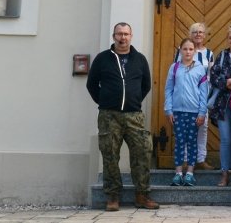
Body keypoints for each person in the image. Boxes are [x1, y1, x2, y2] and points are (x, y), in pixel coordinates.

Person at [86, 22, 159, 211]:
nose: (123, 37)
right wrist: (105, 101)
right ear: (114, 36)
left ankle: (142, 195)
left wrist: (132, 101)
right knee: (110, 155)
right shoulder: (103, 59)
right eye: (119, 34)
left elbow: (146, 85)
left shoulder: (139, 59)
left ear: (131, 36)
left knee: (142, 153)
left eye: (126, 34)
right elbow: (92, 85)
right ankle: (112, 197)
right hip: (109, 116)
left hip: (134, 115)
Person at [165, 38, 208, 187]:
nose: (188, 52)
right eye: (185, 49)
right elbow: (169, 89)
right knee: (179, 142)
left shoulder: (200, 68)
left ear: (194, 51)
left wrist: (202, 112)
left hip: (194, 112)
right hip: (177, 111)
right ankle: (178, 173)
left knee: (192, 142)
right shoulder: (174, 68)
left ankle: (189, 173)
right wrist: (168, 109)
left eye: (190, 49)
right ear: (180, 50)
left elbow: (204, 93)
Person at [173, 23, 214, 170]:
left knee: (202, 128)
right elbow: (176, 73)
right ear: (191, 34)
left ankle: (200, 159)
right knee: (184, 131)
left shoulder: (209, 53)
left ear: (204, 35)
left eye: (201, 32)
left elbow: (211, 75)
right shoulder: (181, 51)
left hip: (202, 97)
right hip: (184, 98)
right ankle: (184, 160)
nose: (198, 34)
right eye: (195, 32)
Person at [209, 24, 231, 186]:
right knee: (225, 139)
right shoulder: (222, 55)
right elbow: (213, 75)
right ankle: (224, 173)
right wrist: (226, 82)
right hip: (223, 104)